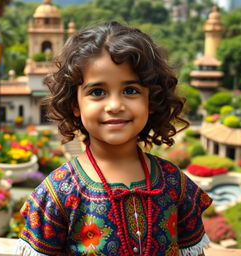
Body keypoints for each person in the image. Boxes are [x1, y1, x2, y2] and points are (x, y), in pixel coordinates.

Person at [16, 21, 212, 256]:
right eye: (97, 92)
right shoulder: (57, 193)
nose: (115, 106)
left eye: (131, 90)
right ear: (74, 104)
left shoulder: (174, 183)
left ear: (151, 100)